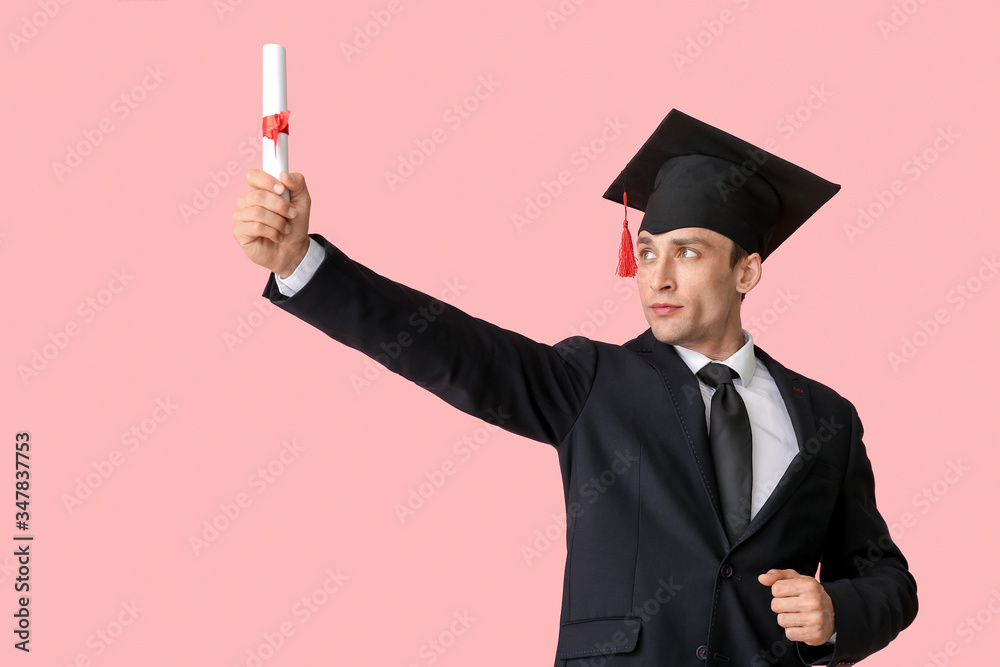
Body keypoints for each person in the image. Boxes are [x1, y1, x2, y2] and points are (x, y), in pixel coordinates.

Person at [231, 109, 917, 666]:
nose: (658, 276)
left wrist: (835, 616)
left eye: (688, 251)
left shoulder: (825, 416)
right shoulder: (593, 381)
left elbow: (886, 576)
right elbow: (455, 350)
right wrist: (302, 265)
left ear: (747, 271)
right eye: (647, 251)